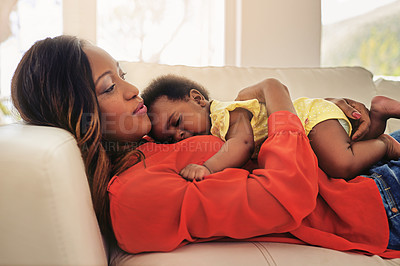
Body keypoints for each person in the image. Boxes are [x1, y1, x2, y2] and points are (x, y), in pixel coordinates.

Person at [10, 35, 400, 259]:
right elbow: (287, 196)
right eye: (109, 87)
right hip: (376, 201)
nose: (132, 91)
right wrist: (277, 94)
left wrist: (337, 114)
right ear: (79, 117)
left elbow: (241, 124)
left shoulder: (149, 140)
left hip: (367, 170)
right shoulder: (135, 195)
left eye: (122, 76)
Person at [142, 74, 400, 181]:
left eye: (176, 122)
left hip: (311, 119)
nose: (179, 135)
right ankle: (378, 118)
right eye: (170, 139)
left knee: (341, 163)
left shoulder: (226, 113)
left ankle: (385, 144)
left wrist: (207, 167)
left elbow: (241, 145)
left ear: (197, 99)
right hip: (313, 130)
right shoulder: (214, 130)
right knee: (350, 148)